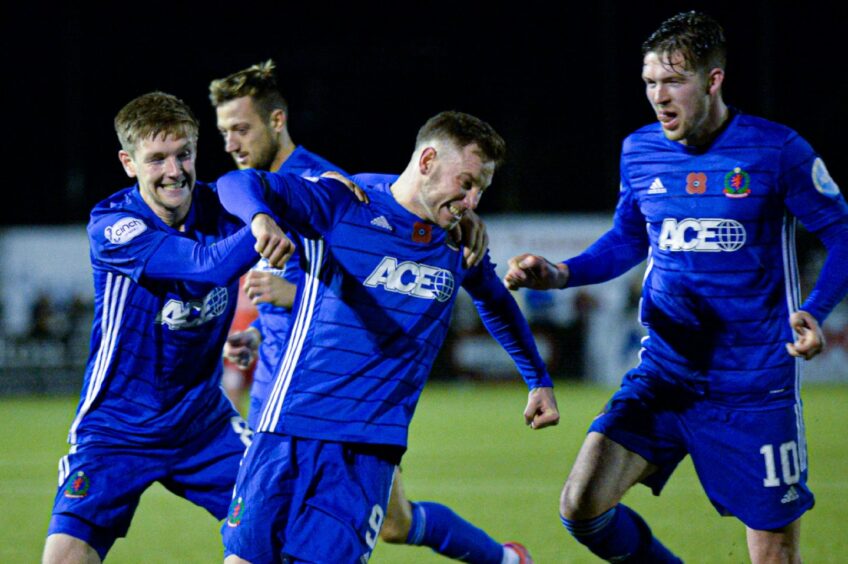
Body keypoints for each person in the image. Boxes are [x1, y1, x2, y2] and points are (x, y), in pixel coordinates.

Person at [503, 11, 848, 563]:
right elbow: (626, 240)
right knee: (581, 504)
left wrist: (815, 309)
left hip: (753, 388)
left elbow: (841, 231)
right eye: (650, 83)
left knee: (774, 556)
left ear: (713, 81)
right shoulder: (639, 151)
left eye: (672, 81)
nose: (658, 96)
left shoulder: (777, 150)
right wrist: (562, 273)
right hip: (664, 377)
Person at [210, 61, 534, 563]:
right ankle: (506, 560)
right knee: (390, 526)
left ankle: (505, 559)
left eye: (240, 128)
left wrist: (460, 211)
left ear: (276, 121)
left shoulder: (322, 183)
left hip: (351, 403)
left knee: (391, 525)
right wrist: (262, 329)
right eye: (224, 131)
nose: (231, 142)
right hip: (284, 399)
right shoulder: (249, 190)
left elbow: (367, 260)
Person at [42, 91, 291, 563]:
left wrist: (268, 208)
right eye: (157, 159)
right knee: (63, 559)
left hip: (203, 423)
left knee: (277, 533)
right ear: (128, 163)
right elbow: (204, 267)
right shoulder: (114, 225)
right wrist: (266, 224)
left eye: (184, 155)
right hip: (117, 426)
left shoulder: (225, 206)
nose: (174, 171)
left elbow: (259, 186)